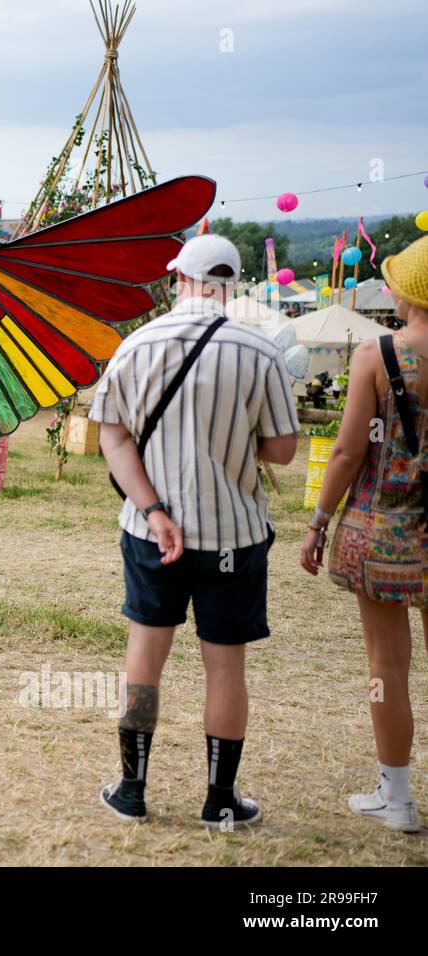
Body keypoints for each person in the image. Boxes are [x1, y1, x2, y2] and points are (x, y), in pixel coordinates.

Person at [89, 234, 299, 828]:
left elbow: (112, 436)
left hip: (152, 532)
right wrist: (231, 441)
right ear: (232, 281)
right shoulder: (260, 352)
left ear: (178, 276)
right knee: (225, 665)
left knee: (144, 658)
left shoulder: (136, 344)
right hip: (233, 532)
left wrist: (154, 510)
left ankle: (132, 790)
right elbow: (282, 450)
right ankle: (220, 799)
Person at [301, 235, 428, 833]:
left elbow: (351, 449)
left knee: (387, 667)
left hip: (382, 533)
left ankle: (396, 796)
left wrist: (320, 520)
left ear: (406, 291)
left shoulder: (377, 356)